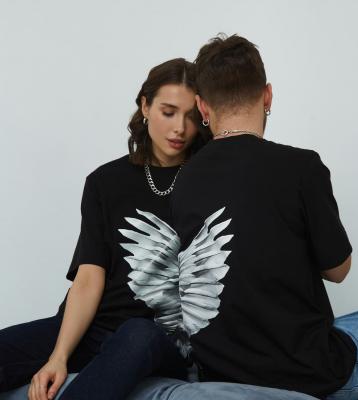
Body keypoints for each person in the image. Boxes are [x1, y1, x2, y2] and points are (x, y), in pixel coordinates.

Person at [168, 34, 358, 400]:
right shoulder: (301, 167)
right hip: (306, 373)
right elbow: (339, 270)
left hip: (221, 374)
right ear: (267, 96)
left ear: (202, 106)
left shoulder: (184, 182)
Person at [0, 58, 211, 400]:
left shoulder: (210, 181)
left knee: (137, 334)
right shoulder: (105, 182)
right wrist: (59, 357)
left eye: (190, 116)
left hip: (160, 339)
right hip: (95, 329)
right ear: (145, 106)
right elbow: (88, 278)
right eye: (168, 112)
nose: (180, 128)